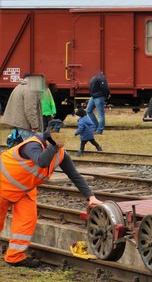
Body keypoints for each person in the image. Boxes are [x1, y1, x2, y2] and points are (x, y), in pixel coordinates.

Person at [1, 119, 101, 267]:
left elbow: (74, 175)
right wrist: (52, 144)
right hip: (2, 185)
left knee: (26, 222)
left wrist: (91, 197)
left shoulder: (60, 153)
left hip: (24, 190)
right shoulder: (32, 145)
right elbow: (42, 161)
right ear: (48, 136)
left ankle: (15, 257)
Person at [2, 74, 45, 142]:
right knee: (32, 146)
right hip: (25, 125)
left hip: (20, 123)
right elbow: (30, 110)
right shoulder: (30, 90)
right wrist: (34, 126)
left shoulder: (19, 87)